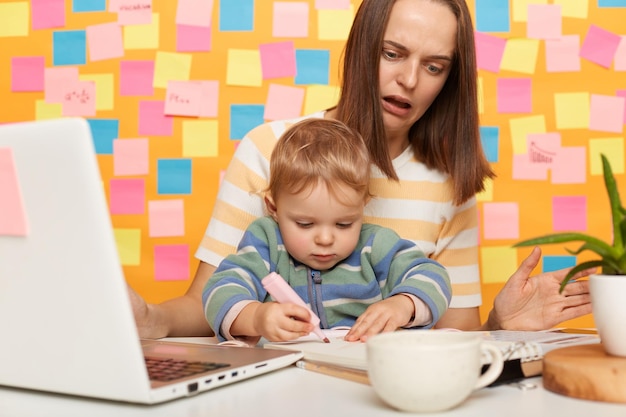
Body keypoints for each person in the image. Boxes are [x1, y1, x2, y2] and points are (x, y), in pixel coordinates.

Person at [129, 0, 592, 339]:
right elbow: (208, 300)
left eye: (434, 66)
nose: (409, 80)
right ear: (362, 48)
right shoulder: (270, 150)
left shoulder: (449, 185)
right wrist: (154, 319)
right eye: (392, 54)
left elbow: (454, 337)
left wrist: (501, 327)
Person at [202, 118, 452, 344]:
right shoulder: (265, 243)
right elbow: (218, 290)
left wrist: (403, 304)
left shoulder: (376, 245)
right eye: (305, 224)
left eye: (344, 224)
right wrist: (256, 317)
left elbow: (433, 276)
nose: (325, 239)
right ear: (273, 208)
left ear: (361, 208)